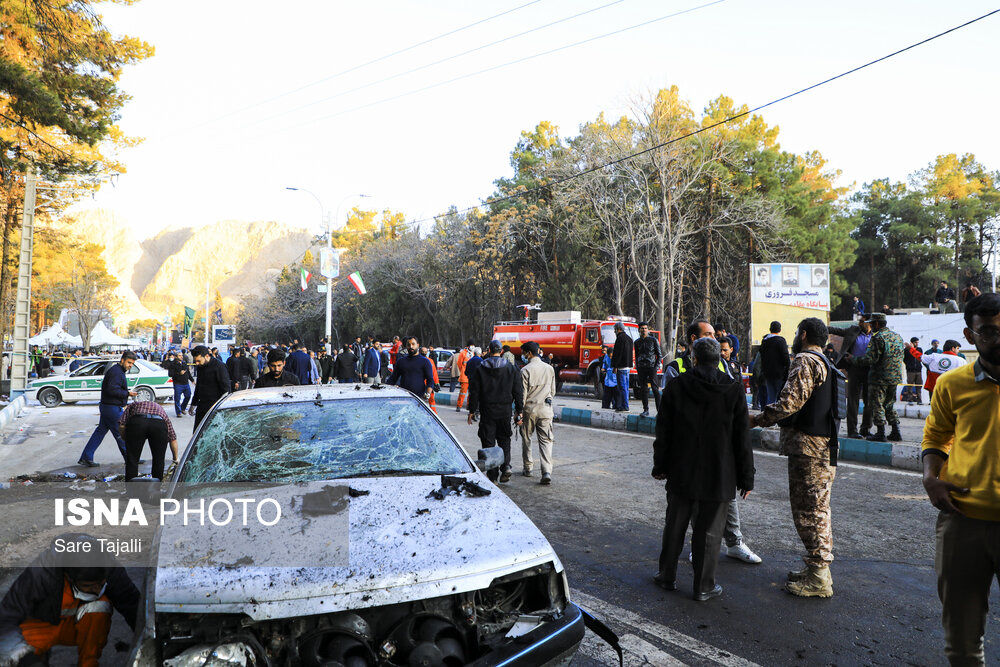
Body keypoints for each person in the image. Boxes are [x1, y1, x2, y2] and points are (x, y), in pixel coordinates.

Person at [921, 293, 1000, 664]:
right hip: (963, 522)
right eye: (989, 332)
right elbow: (936, 438)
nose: (999, 338)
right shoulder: (953, 384)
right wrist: (930, 478)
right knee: (963, 643)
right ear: (970, 336)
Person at [652, 337, 754, 602]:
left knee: (674, 525)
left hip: (681, 469)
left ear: (693, 358)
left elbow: (664, 431)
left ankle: (666, 575)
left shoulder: (676, 386)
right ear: (719, 360)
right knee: (709, 533)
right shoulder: (733, 389)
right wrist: (746, 477)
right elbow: (742, 437)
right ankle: (703, 586)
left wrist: (660, 465)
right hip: (718, 474)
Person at [752, 317, 841, 598]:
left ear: (803, 335)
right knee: (817, 509)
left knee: (809, 511)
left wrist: (757, 419)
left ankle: (818, 578)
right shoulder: (825, 361)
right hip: (823, 446)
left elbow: (790, 403)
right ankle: (817, 569)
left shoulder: (805, 360)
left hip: (809, 448)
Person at [664, 319, 762, 565]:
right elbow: (667, 417)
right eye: (708, 334)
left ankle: (734, 543)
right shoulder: (676, 368)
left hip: (719, 449)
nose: (716, 338)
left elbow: (735, 411)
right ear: (693, 340)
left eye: (715, 335)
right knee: (694, 502)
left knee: (725, 499)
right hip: (688, 450)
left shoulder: (724, 366)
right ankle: (699, 549)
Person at [0, 535, 140, 667]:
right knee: (11, 654)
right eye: (87, 586)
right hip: (41, 626)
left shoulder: (110, 568)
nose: (97, 591)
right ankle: (37, 657)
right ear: (69, 576)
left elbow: (134, 607)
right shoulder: (40, 573)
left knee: (100, 606)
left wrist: (148, 643)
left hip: (76, 626)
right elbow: (7, 616)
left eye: (100, 584)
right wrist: (23, 656)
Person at [467, 340, 524, 484]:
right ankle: (506, 467)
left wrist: (472, 410)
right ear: (501, 351)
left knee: (488, 441)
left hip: (487, 411)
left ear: (490, 350)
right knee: (505, 439)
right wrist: (519, 410)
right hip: (505, 411)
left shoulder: (481, 368)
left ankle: (493, 476)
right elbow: (518, 391)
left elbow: (474, 392)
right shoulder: (511, 368)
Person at [848, 312, 904, 443]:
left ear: (877, 324)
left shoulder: (878, 337)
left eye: (872, 323)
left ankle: (881, 432)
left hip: (879, 378)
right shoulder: (897, 337)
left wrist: (853, 359)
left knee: (877, 404)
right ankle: (896, 431)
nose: (871, 326)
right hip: (894, 377)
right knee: (889, 404)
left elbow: (869, 359)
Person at [78, 351, 136, 467]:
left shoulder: (117, 371)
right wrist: (127, 393)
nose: (130, 365)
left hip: (108, 407)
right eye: (129, 362)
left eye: (132, 364)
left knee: (99, 433)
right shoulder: (116, 372)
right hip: (111, 408)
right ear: (122, 360)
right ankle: (131, 459)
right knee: (121, 434)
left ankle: (86, 457)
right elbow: (112, 390)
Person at [829, 316, 874, 438]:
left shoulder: (876, 334)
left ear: (869, 323)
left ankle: (865, 429)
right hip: (854, 368)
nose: (859, 323)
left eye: (862, 321)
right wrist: (820, 328)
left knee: (869, 401)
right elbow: (836, 330)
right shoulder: (853, 330)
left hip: (870, 370)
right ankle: (852, 430)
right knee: (853, 400)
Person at [519, 341, 556, 485]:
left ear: (528, 353)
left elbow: (523, 395)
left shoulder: (525, 370)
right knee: (546, 440)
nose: (522, 356)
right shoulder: (549, 368)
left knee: (527, 438)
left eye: (523, 353)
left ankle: (528, 468)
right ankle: (546, 471)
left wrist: (519, 413)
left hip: (530, 409)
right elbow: (552, 391)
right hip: (546, 410)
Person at [118, 399, 178, 481]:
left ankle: (131, 491)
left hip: (138, 422)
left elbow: (121, 425)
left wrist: (127, 439)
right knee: (159, 460)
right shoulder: (160, 409)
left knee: (132, 460)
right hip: (158, 424)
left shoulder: (133, 405)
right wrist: (175, 459)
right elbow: (172, 438)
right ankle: (156, 490)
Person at [188, 345, 230, 427]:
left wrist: (222, 408)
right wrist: (193, 404)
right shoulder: (200, 367)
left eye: (199, 361)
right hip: (202, 406)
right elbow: (198, 386)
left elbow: (226, 389)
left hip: (215, 407)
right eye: (195, 361)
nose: (197, 363)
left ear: (207, 356)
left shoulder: (219, 366)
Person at [758, 321, 790, 405]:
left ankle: (769, 414)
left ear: (770, 329)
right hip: (779, 374)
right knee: (779, 397)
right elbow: (785, 358)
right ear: (779, 330)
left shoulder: (764, 341)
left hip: (767, 373)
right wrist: (788, 369)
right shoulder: (781, 341)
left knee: (771, 396)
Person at [634, 322, 662, 417]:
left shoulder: (653, 340)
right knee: (643, 389)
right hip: (641, 368)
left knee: (655, 389)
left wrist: (656, 367)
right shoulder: (637, 342)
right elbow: (637, 355)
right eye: (642, 328)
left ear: (648, 329)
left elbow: (659, 355)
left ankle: (660, 411)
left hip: (651, 367)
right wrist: (637, 367)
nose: (644, 330)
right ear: (639, 330)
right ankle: (645, 410)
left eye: (645, 328)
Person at [610, 323, 634, 413]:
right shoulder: (629, 339)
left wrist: (615, 366)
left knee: (622, 387)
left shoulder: (619, 339)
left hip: (621, 367)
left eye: (615, 329)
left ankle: (624, 406)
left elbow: (617, 354)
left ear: (618, 329)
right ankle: (625, 404)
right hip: (628, 366)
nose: (614, 331)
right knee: (626, 387)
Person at [162, 351, 192, 418]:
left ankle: (183, 408)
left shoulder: (184, 363)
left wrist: (192, 380)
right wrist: (179, 373)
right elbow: (170, 374)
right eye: (179, 355)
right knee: (177, 399)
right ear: (176, 357)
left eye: (181, 355)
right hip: (178, 384)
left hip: (186, 383)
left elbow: (188, 373)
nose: (181, 357)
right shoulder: (173, 364)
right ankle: (178, 412)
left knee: (188, 396)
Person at [419, 347, 442, 412]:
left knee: (424, 400)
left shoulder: (418, 361)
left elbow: (434, 373)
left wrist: (437, 383)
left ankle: (433, 413)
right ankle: (434, 413)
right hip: (427, 384)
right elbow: (434, 373)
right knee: (430, 400)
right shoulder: (430, 361)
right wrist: (436, 383)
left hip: (424, 384)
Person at [902, 337, 924, 404]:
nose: (917, 344)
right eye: (915, 342)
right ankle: (910, 399)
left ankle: (919, 400)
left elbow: (919, 356)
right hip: (910, 371)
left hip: (918, 370)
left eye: (917, 342)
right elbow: (904, 359)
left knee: (919, 385)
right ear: (911, 342)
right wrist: (909, 365)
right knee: (910, 386)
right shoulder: (906, 350)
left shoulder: (919, 349)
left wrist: (912, 348)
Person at [455, 341, 473, 412]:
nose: (473, 347)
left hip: (471, 377)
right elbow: (459, 363)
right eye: (472, 345)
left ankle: (468, 406)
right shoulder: (463, 353)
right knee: (462, 393)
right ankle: (459, 406)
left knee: (471, 393)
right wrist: (462, 371)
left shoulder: (473, 353)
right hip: (465, 376)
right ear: (468, 346)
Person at [600, 345, 616, 410]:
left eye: (611, 356)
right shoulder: (606, 356)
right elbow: (604, 364)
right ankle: (605, 405)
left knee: (615, 394)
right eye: (609, 356)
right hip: (608, 377)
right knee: (607, 394)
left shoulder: (616, 357)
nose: (610, 357)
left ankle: (615, 405)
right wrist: (603, 368)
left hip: (615, 378)